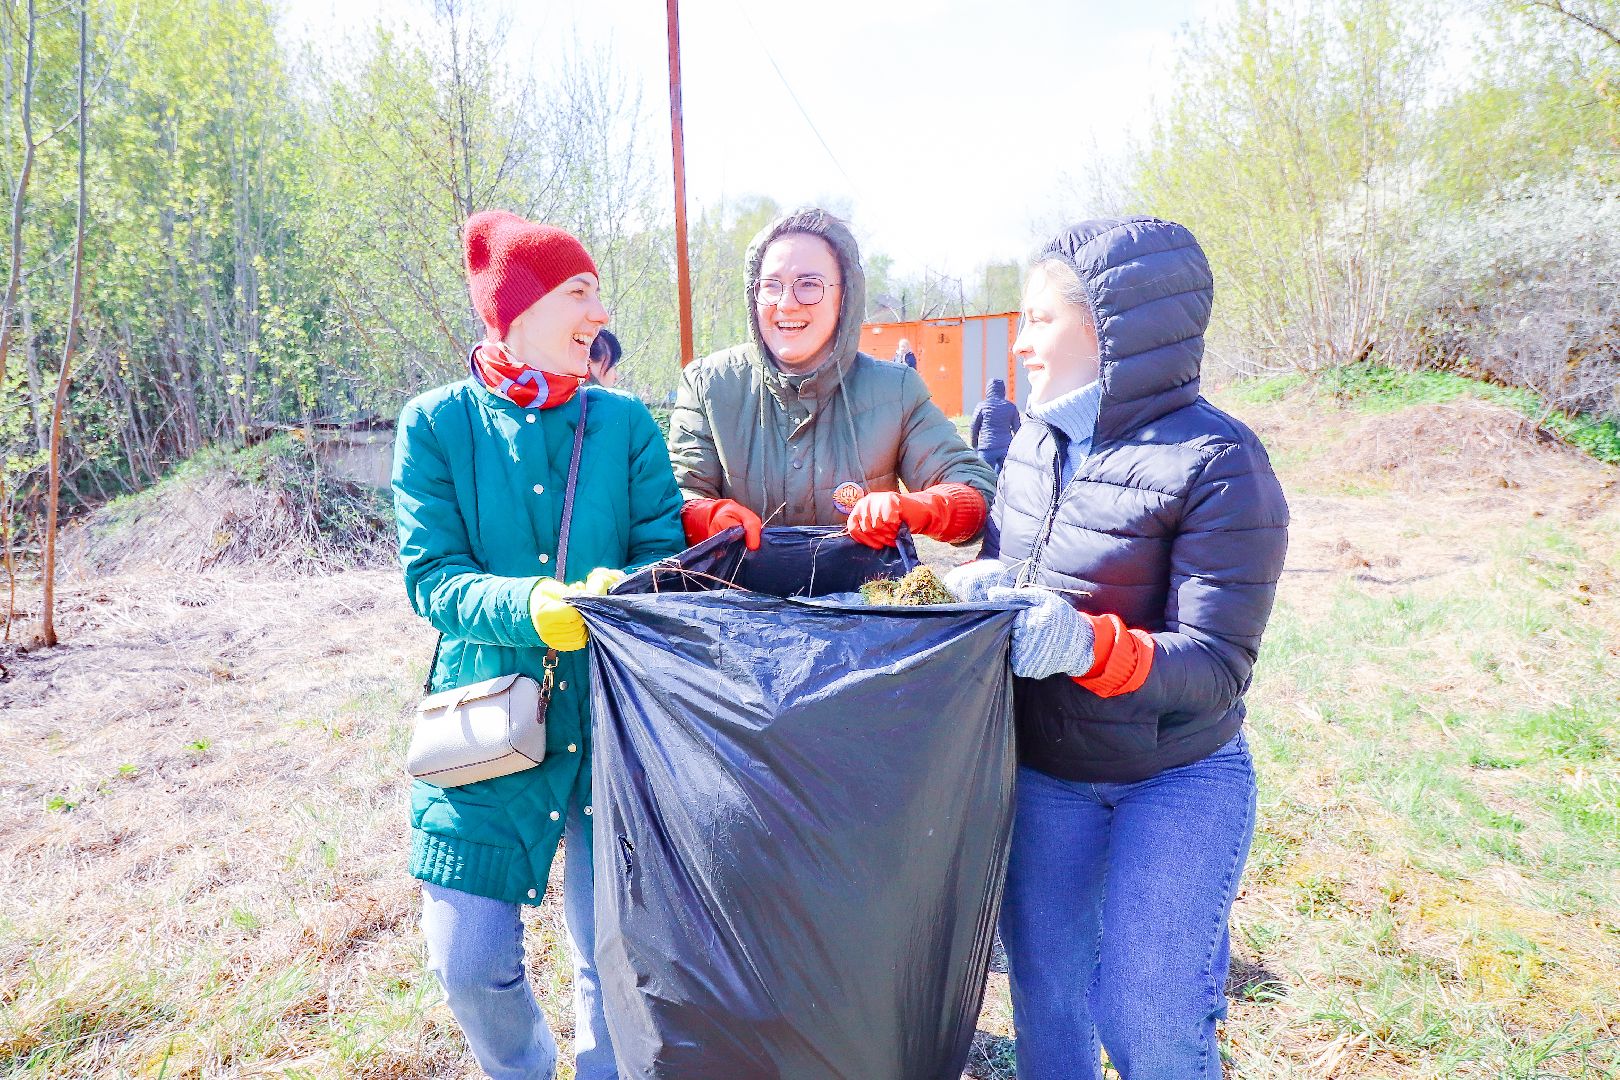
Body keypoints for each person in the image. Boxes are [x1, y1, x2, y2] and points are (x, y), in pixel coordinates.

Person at [945, 217, 1289, 1079]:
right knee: (1050, 1016)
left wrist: (1089, 647)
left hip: (1174, 777)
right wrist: (982, 586)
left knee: (1147, 1021)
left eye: (1038, 319)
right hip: (1048, 773)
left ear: (1113, 326)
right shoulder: (1035, 444)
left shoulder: (1218, 460)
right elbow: (1014, 566)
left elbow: (1216, 665)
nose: (1020, 342)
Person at [392, 210, 686, 1080]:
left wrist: (624, 593)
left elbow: (663, 554)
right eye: (579, 292)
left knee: (613, 964)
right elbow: (433, 578)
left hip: (613, 725)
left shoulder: (624, 424)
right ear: (516, 307)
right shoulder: (435, 424)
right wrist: (529, 605)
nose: (599, 311)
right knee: (467, 961)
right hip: (484, 718)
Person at [668, 207, 995, 551]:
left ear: (845, 296)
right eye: (771, 286)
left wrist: (921, 509)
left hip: (864, 586)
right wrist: (700, 515)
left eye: (809, 285)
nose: (787, 304)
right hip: (732, 586)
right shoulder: (708, 385)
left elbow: (976, 491)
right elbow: (673, 498)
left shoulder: (895, 391)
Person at [969, 377, 1021, 473]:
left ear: (988, 390)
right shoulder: (1011, 407)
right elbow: (1018, 429)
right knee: (1004, 476)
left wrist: (974, 445)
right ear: (1003, 390)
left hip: (986, 448)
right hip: (1006, 447)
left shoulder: (982, 406)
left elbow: (974, 427)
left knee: (985, 476)